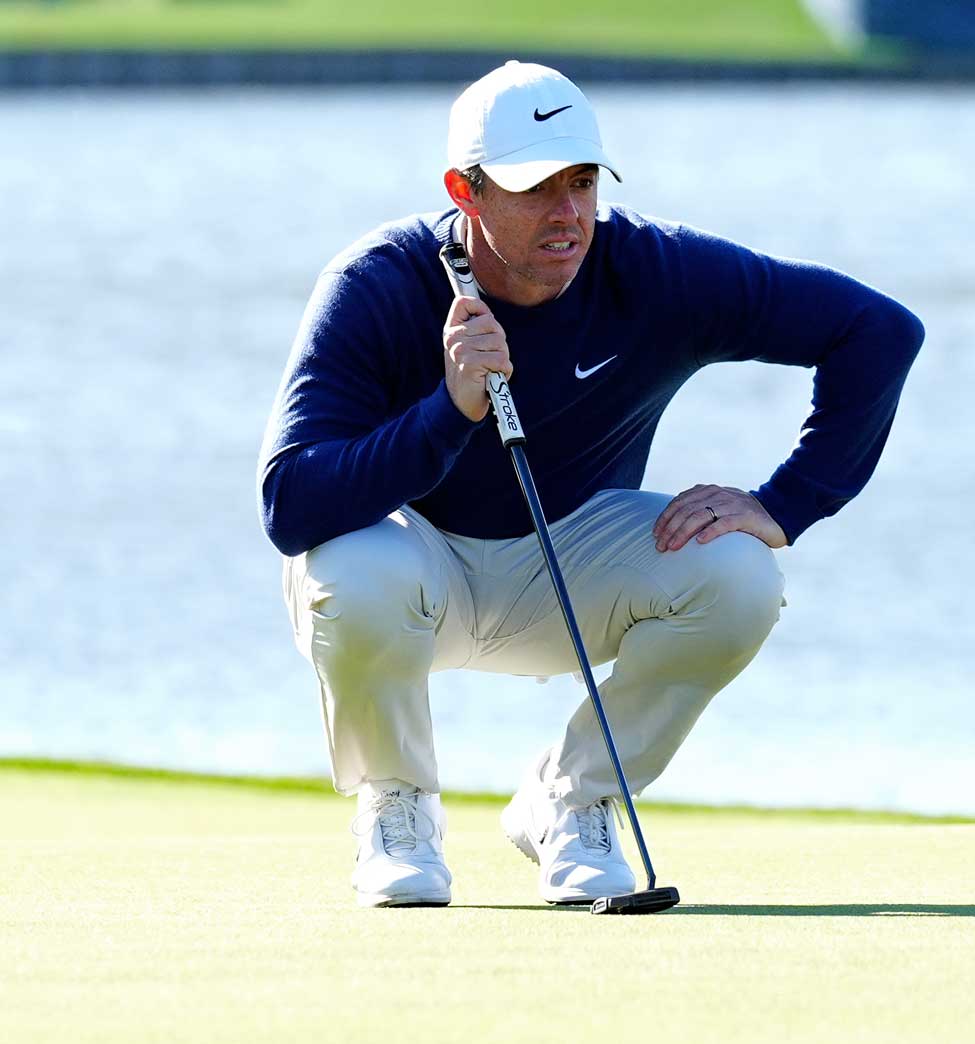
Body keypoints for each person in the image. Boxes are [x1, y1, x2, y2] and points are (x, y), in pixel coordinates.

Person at [258, 60, 923, 908]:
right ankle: (397, 805)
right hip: (415, 568)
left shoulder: (655, 271)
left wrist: (785, 504)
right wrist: (447, 410)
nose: (568, 214)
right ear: (466, 190)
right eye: (536, 188)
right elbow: (290, 502)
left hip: (573, 559)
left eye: (582, 183)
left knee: (741, 574)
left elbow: (878, 331)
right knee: (347, 566)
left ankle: (575, 801)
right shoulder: (379, 284)